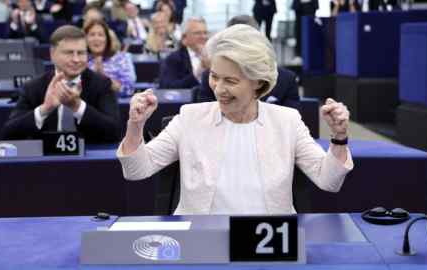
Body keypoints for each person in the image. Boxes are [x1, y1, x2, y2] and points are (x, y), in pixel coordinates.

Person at [117, 24, 353, 215]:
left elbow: (329, 180)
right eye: (214, 77)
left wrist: (339, 138)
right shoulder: (190, 117)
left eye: (230, 81)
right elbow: (136, 170)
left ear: (258, 82)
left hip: (270, 247)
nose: (219, 89)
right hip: (200, 242)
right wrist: (135, 126)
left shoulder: (287, 121)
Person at [2, 25, 120, 144]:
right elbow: (8, 135)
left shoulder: (101, 85)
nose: (76, 59)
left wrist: (78, 107)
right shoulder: (33, 87)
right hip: (45, 161)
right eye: (69, 53)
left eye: (81, 53)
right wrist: (45, 109)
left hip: (88, 161)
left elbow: (115, 132)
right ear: (52, 54)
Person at [197, 15, 300, 110]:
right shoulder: (209, 77)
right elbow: (205, 116)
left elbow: (289, 124)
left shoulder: (286, 79)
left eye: (231, 81)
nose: (219, 90)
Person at [85, 19, 136, 97]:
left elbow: (129, 90)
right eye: (92, 35)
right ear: (86, 39)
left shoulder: (122, 58)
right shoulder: (79, 59)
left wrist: (103, 77)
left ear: (107, 39)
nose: (96, 39)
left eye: (100, 35)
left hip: (117, 105)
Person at [158, 17, 207, 89]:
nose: (203, 37)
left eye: (205, 33)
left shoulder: (214, 57)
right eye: (198, 33)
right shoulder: (173, 59)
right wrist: (196, 75)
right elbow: (167, 87)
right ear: (184, 38)